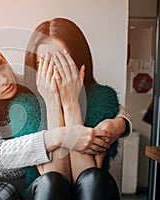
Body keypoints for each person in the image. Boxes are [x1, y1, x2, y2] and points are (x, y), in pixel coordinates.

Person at [0, 37, 127, 199]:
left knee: (5, 191)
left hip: (17, 185)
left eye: (2, 65)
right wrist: (60, 135)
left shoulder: (29, 86)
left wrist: (121, 123)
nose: (4, 79)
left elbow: (111, 107)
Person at [20, 17, 132, 198]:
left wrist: (71, 102)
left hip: (91, 188)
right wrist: (52, 103)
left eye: (62, 60)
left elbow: (87, 173)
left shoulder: (102, 97)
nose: (54, 70)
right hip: (42, 191)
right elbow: (56, 175)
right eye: (44, 63)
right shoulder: (25, 106)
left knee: (93, 178)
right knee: (51, 182)